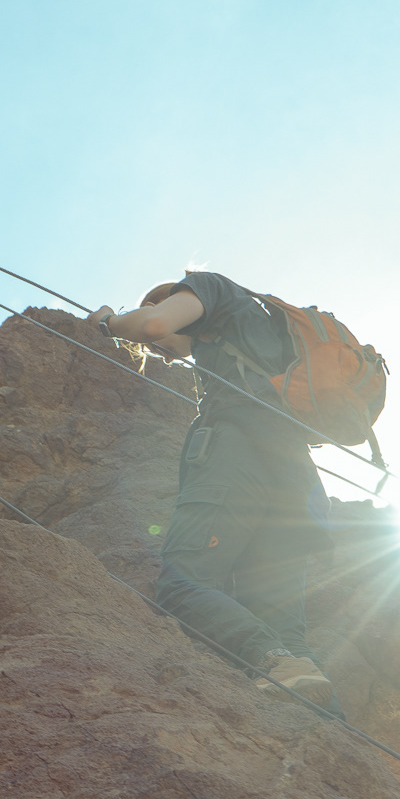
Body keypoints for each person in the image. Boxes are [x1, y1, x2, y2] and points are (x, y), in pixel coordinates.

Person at [88, 274, 339, 711]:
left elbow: (153, 325)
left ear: (172, 300)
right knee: (285, 629)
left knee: (182, 585)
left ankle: (270, 659)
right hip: (296, 483)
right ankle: (328, 731)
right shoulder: (256, 331)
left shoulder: (209, 288)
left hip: (238, 457)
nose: (157, 350)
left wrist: (110, 322)